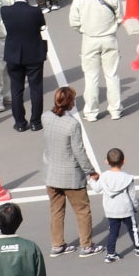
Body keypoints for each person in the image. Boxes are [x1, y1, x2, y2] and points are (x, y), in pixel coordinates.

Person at [41, 87, 97, 257]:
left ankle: (57, 244)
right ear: (70, 102)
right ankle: (86, 246)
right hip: (71, 176)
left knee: (56, 210)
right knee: (82, 210)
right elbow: (79, 151)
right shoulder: (72, 124)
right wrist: (90, 171)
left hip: (51, 173)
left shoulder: (46, 117)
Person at [67, 0, 122, 121]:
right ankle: (115, 110)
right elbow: (119, 17)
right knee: (112, 75)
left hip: (90, 39)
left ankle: (91, 112)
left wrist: (84, 31)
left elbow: (74, 22)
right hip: (110, 38)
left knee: (91, 77)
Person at [97, 148, 139, 260]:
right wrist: (135, 207)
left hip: (111, 210)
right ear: (123, 161)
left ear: (107, 162)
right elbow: (132, 196)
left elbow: (97, 188)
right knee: (133, 229)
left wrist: (93, 179)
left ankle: (111, 254)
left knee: (113, 232)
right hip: (126, 209)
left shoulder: (103, 177)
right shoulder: (128, 178)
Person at [0, 0, 45, 133]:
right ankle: (35, 122)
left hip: (13, 55)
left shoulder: (5, 10)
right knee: (36, 89)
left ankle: (19, 123)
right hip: (33, 54)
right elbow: (42, 25)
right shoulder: (35, 11)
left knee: (16, 90)